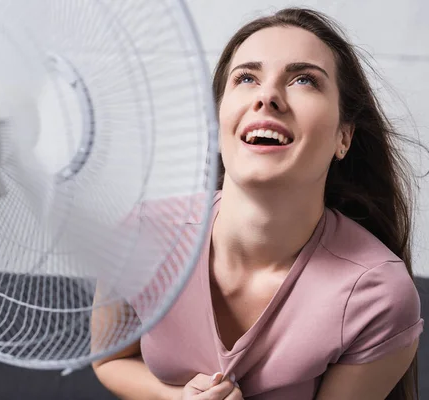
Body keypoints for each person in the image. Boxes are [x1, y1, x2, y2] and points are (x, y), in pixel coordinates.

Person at [92, 7, 424, 400]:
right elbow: (109, 360)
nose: (267, 96)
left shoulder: (378, 295)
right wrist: (176, 398)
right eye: (246, 77)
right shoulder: (139, 233)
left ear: (343, 138)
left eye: (304, 80)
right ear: (218, 122)